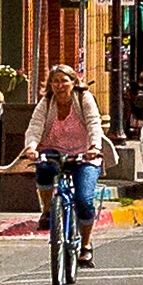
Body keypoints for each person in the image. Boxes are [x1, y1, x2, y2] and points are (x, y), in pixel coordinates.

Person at [33, 61, 106, 266]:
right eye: (55, 81)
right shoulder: (47, 102)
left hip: (85, 154)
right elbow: (35, 126)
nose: (59, 85)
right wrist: (31, 147)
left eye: (64, 81)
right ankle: (48, 211)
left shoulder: (84, 99)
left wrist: (94, 147)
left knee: (83, 199)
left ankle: (86, 245)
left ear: (73, 82)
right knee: (43, 169)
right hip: (54, 151)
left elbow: (93, 123)